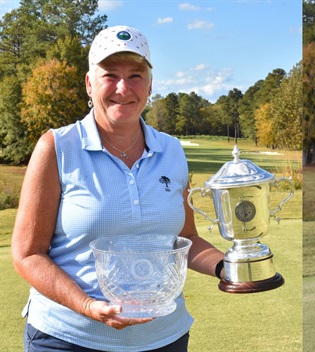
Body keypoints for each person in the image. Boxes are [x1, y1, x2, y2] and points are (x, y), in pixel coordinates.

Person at [11, 25, 226, 351]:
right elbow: (28, 255)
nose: (123, 88)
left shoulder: (171, 151)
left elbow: (187, 239)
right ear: (89, 83)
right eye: (110, 74)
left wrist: (231, 268)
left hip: (164, 339)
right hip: (68, 338)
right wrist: (87, 306)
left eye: (136, 75)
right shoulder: (58, 146)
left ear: (150, 85)